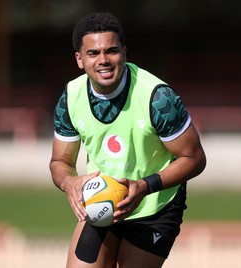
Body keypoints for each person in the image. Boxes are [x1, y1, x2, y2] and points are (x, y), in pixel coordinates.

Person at [50, 12, 206, 268]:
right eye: (93, 53)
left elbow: (195, 158)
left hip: (155, 208)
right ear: (79, 59)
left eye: (111, 51)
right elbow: (60, 161)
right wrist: (69, 182)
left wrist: (144, 186)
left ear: (124, 52)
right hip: (102, 202)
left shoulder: (158, 98)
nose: (103, 60)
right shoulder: (70, 97)